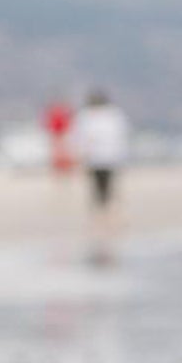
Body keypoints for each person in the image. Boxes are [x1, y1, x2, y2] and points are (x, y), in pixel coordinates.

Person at [74, 87, 130, 263]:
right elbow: (121, 135)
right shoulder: (114, 115)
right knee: (107, 188)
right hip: (109, 157)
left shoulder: (88, 116)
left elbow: (81, 138)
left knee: (99, 190)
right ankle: (110, 218)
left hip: (101, 158)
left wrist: (82, 153)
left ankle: (102, 219)